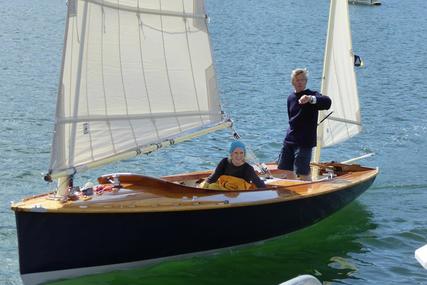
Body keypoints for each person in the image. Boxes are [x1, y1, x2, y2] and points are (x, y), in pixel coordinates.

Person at [277, 68, 332, 180]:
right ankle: (293, 193)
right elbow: (291, 119)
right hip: (290, 139)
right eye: (297, 80)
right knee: (286, 169)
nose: (300, 82)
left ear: (306, 81)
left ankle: (308, 192)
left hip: (305, 142)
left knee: (302, 172)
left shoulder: (312, 95)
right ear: (293, 82)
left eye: (302, 79)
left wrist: (310, 99)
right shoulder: (290, 98)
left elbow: (327, 102)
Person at [200, 141, 266, 190]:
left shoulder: (248, 168)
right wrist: (201, 189)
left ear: (244, 154)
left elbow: (258, 183)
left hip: (238, 194)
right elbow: (213, 177)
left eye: (241, 153)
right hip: (223, 190)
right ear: (231, 154)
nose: (238, 156)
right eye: (236, 153)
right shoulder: (224, 162)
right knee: (212, 186)